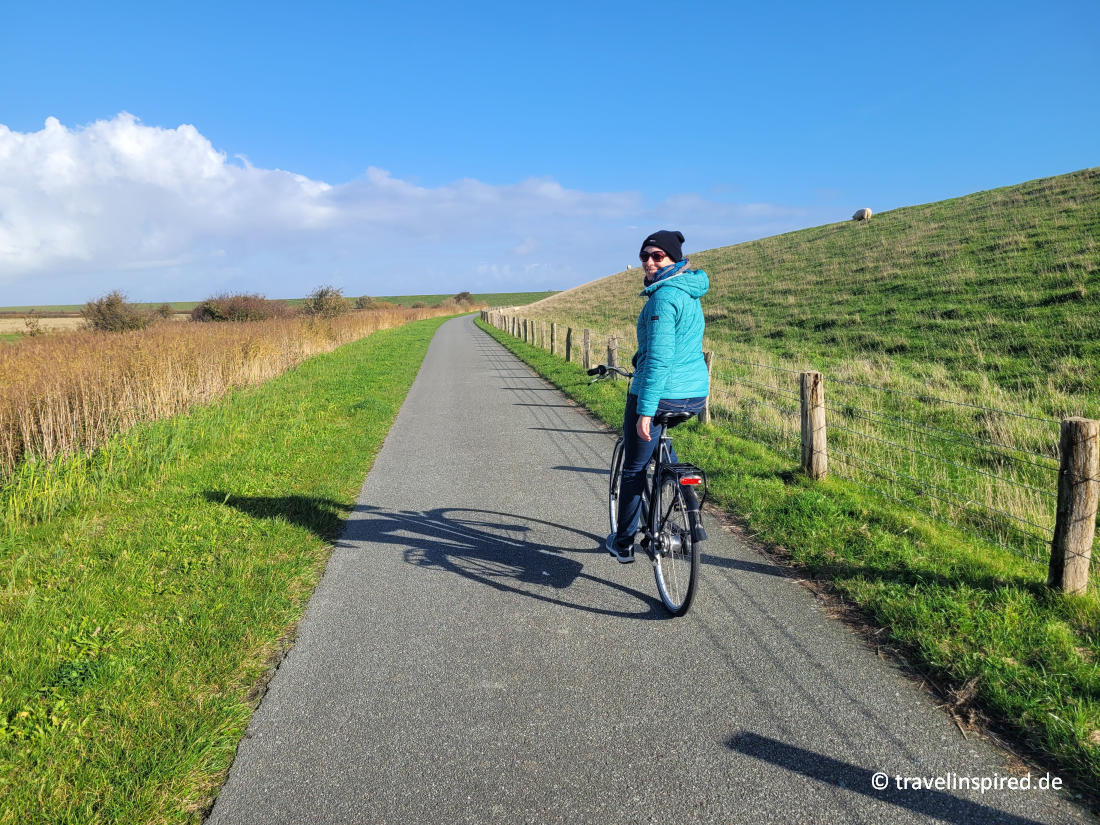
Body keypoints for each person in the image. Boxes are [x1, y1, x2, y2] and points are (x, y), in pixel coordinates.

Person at [607, 230, 710, 563]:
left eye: (657, 256)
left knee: (634, 468)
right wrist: (640, 358)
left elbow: (661, 358)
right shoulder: (689, 291)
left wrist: (646, 410)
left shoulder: (663, 297)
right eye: (644, 256)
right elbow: (674, 347)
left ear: (675, 260)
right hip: (692, 395)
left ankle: (622, 543)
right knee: (658, 446)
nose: (649, 262)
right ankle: (679, 487)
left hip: (661, 393)